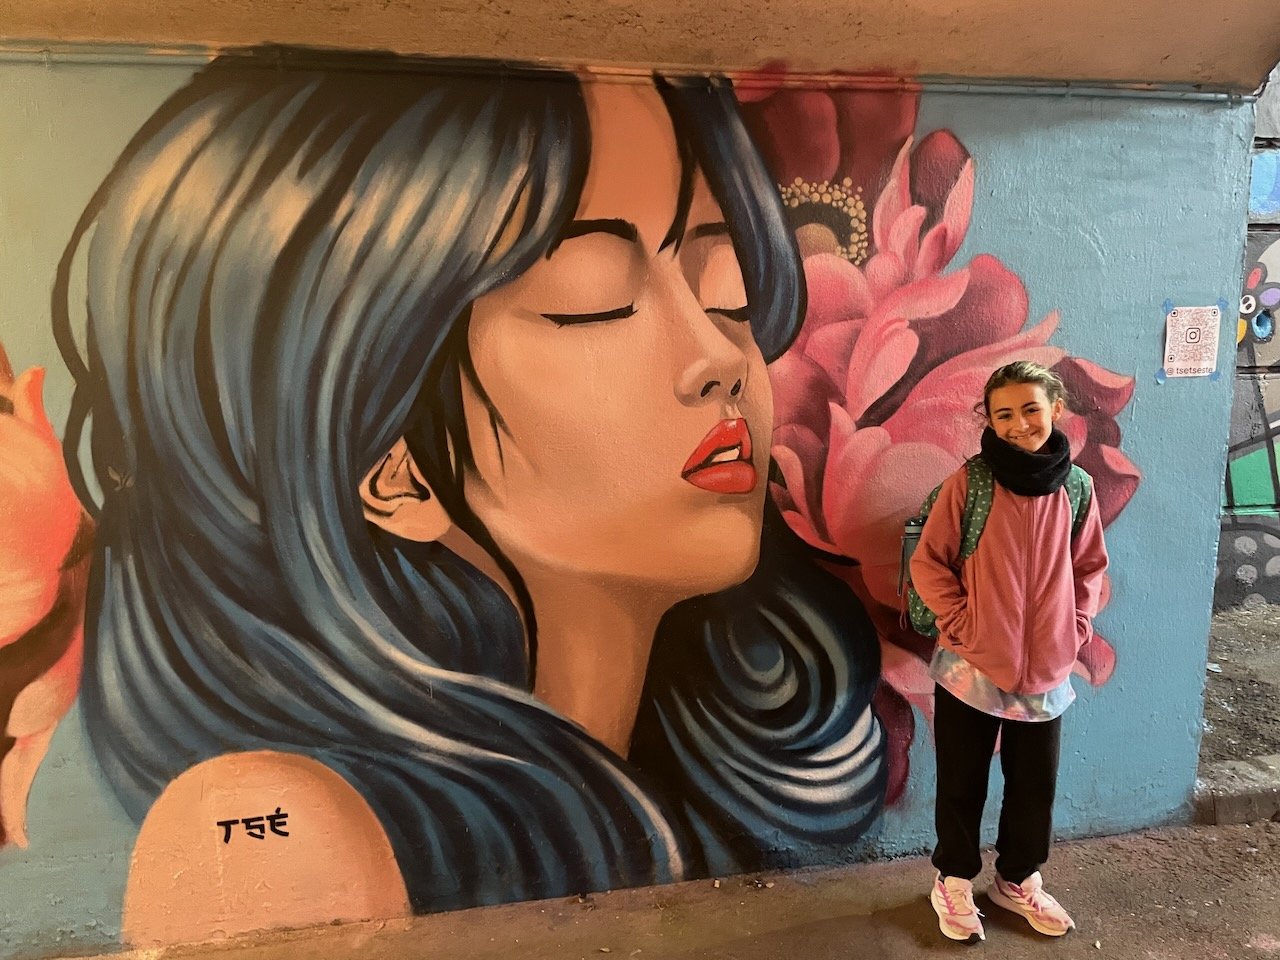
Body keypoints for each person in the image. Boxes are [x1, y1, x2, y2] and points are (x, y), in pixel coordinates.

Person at [0, 48, 887, 944]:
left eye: (725, 287)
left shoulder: (687, 782)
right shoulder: (280, 829)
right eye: (592, 297)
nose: (719, 357)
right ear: (391, 467)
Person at [909, 360, 1109, 943]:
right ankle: (953, 880)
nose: (1019, 424)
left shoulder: (1077, 488)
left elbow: (1089, 566)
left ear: (1056, 409)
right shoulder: (970, 484)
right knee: (962, 781)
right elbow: (930, 562)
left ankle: (1017, 879)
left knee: (1033, 786)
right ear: (989, 421)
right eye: (1004, 414)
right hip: (969, 666)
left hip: (1047, 669)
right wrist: (962, 623)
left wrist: (1075, 626)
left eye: (1030, 409)